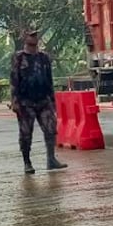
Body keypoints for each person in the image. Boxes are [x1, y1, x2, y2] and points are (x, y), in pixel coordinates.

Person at [10, 28, 67, 174]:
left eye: (35, 35)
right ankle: (27, 163)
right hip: (25, 102)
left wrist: (52, 101)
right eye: (31, 35)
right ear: (25, 38)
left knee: (51, 129)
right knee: (26, 134)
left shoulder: (44, 57)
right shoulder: (19, 58)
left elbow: (49, 79)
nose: (34, 38)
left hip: (43, 100)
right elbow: (14, 80)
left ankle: (51, 160)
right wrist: (14, 101)